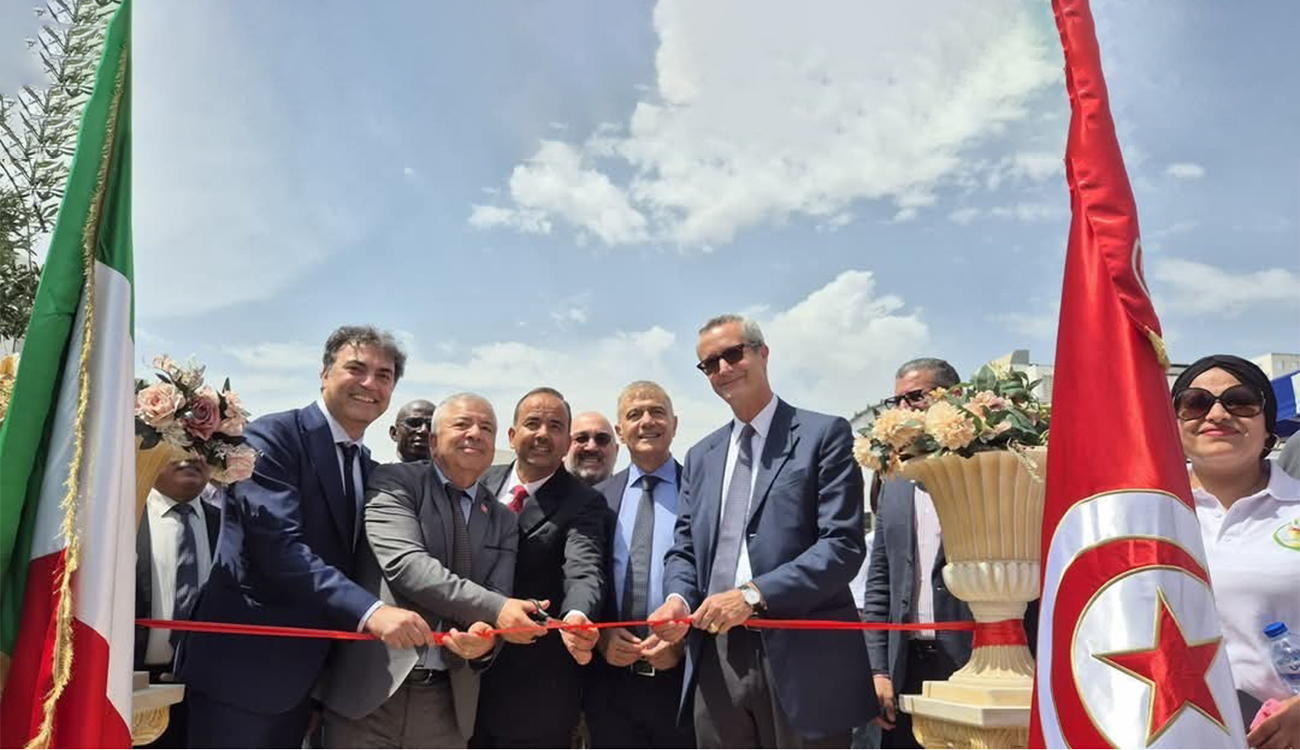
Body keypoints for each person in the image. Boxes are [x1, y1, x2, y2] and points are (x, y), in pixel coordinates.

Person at [177, 326, 430, 747]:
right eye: (356, 368)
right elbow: (278, 549)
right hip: (242, 676)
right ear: (324, 373)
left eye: (384, 375)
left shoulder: (368, 466)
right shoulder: (271, 438)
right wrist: (372, 613)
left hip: (309, 683)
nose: (370, 384)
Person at [649, 314, 876, 748]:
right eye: (709, 364)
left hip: (801, 659)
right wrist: (677, 600)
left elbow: (843, 545)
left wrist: (753, 595)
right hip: (716, 658)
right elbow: (684, 549)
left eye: (733, 354)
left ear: (763, 354)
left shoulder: (822, 434)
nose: (722, 369)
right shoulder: (700, 455)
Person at [320, 393, 547, 747]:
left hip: (447, 703)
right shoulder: (394, 482)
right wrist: (499, 611)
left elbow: (496, 593)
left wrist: (484, 641)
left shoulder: (503, 518)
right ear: (433, 440)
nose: (475, 433)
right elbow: (407, 566)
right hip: (372, 692)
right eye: (462, 424)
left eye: (486, 427)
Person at [1172, 355, 1300, 749]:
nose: (1216, 413)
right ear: (1173, 426)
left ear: (1268, 430)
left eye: (1240, 401)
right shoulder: (1143, 515)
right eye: (1195, 403)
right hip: (1168, 732)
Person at [473, 387, 608, 748]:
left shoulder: (584, 502)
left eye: (555, 426)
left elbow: (584, 567)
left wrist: (578, 614)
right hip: (461, 678)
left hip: (533, 689)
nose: (543, 434)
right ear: (512, 435)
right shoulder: (478, 482)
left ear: (566, 443)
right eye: (532, 423)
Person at [861, 358, 973, 749]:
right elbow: (880, 583)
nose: (904, 410)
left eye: (915, 397)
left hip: (970, 664)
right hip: (904, 667)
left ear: (952, 399)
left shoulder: (986, 471)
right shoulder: (894, 482)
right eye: (897, 401)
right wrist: (877, 669)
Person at [586, 381, 696, 748]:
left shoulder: (701, 493)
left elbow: (716, 576)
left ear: (675, 424)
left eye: (657, 412)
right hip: (611, 683)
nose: (647, 421)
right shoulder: (597, 500)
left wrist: (683, 643)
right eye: (635, 415)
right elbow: (588, 575)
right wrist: (601, 637)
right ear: (620, 431)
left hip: (683, 683)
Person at [134, 458, 221, 748]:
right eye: (176, 445)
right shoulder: (120, 519)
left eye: (201, 448)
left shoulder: (229, 526)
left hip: (207, 694)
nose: (189, 457)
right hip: (132, 691)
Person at [566, 411, 619, 486]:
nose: (591, 447)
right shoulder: (544, 494)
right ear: (563, 448)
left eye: (602, 439)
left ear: (616, 451)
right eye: (581, 439)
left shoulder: (631, 496)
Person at [390, 398, 436, 463]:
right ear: (394, 433)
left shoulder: (451, 472)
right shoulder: (376, 472)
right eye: (414, 423)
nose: (424, 431)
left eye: (431, 426)